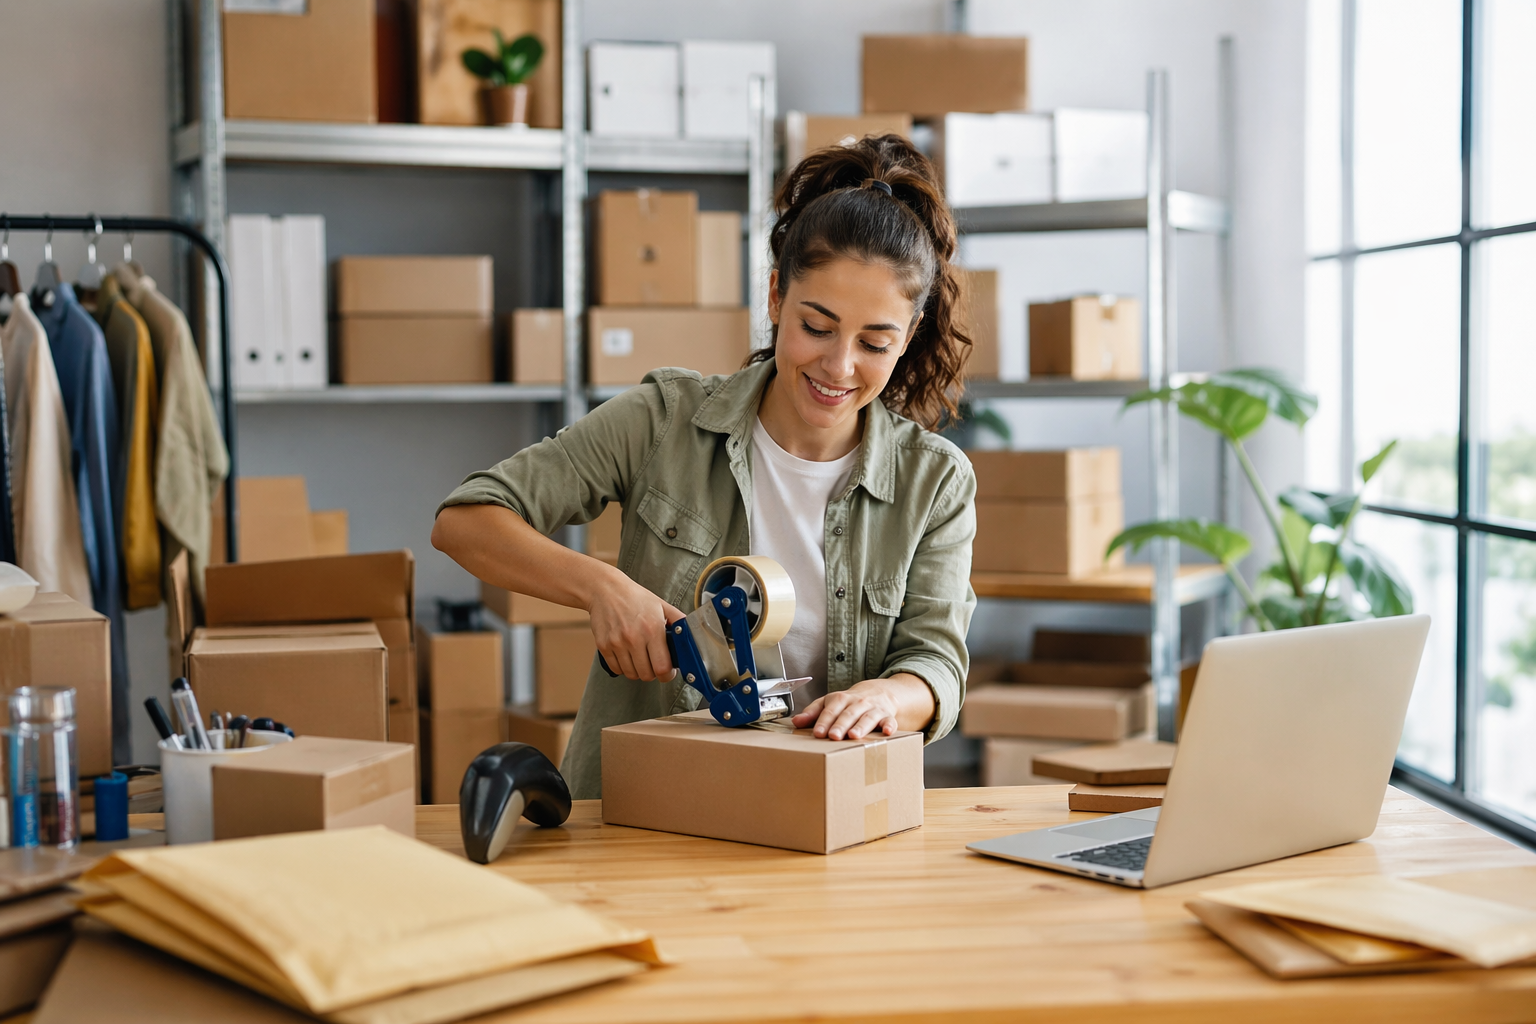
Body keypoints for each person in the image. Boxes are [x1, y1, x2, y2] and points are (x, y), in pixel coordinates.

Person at [432, 134, 977, 799]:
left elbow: (936, 663)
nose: (838, 366)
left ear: (909, 336)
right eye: (816, 326)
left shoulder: (935, 483)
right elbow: (467, 520)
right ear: (776, 297)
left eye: (873, 342)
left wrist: (890, 698)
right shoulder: (664, 419)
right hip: (642, 809)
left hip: (823, 813)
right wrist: (602, 589)